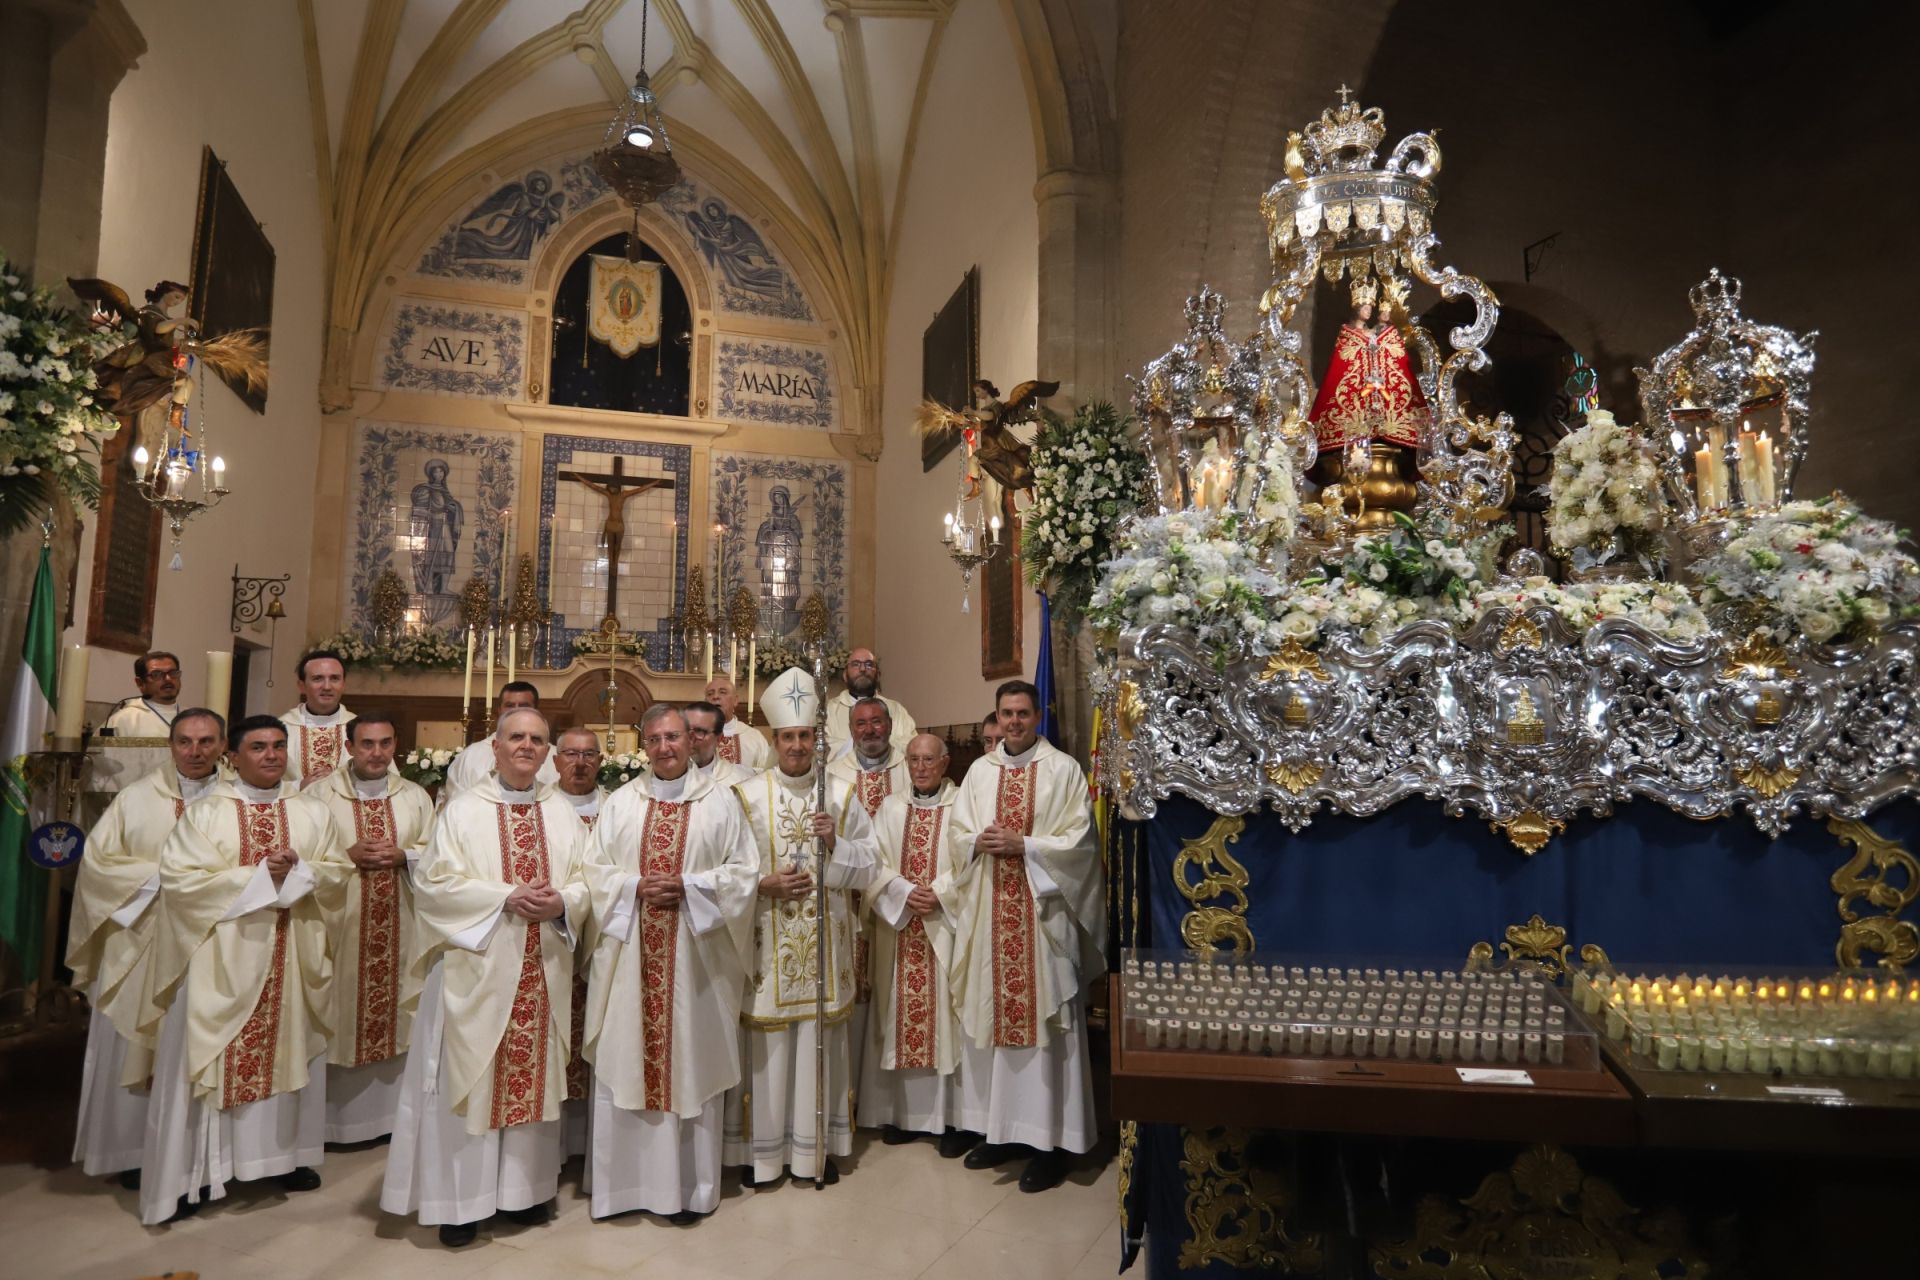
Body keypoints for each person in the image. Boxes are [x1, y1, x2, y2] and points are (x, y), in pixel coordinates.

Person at [380, 707, 591, 1248]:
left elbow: (590, 881)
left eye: (537, 740)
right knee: (467, 1081)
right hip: (475, 969)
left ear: (548, 754)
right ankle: (460, 1203)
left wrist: (563, 901)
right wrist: (505, 897)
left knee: (530, 1077)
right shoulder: (463, 810)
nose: (526, 746)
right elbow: (434, 884)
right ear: (494, 748)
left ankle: (521, 1195)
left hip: (541, 967)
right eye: (516, 737)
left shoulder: (563, 813)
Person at [136, 714, 332, 1224]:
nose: (271, 755)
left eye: (278, 746)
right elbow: (180, 882)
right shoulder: (206, 814)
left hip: (289, 955)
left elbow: (337, 872)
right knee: (205, 1060)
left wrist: (302, 871)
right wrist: (257, 875)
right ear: (235, 756)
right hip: (219, 961)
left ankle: (279, 1158)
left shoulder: (310, 812)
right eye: (259, 747)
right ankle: (191, 1174)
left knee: (289, 1051)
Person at [582, 705, 757, 1221]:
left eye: (674, 737)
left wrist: (691, 886)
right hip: (629, 954)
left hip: (697, 960)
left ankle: (690, 1189)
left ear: (694, 741)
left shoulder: (721, 802)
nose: (665, 747)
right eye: (655, 739)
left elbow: (745, 873)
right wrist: (634, 885)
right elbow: (594, 870)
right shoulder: (620, 804)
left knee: (690, 1061)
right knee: (627, 1054)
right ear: (644, 745)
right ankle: (623, 1190)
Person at [945, 680, 1105, 1193]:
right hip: (989, 915)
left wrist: (1026, 845)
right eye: (1005, 714)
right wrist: (977, 841)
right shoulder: (978, 771)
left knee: (1045, 1030)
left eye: (1021, 713)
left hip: (1041, 920)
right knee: (993, 1019)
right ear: (996, 716)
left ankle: (1050, 1143)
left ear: (1037, 716)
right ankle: (1001, 1131)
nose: (1013, 721)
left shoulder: (1064, 771)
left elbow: (1079, 844)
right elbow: (955, 833)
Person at [724, 666, 879, 1187]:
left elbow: (871, 864)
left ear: (818, 740)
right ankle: (764, 1158)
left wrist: (836, 843)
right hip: (768, 942)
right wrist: (761, 885)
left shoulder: (842, 795)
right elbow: (730, 871)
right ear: (774, 739)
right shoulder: (746, 796)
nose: (796, 745)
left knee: (820, 1047)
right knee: (768, 1054)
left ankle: (816, 1153)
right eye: (788, 736)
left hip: (823, 945)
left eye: (805, 736)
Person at [67, 708, 228, 1185]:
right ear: (170, 745)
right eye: (185, 742)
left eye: (206, 741)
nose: (195, 752)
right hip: (142, 942)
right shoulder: (135, 800)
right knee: (138, 1043)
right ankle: (134, 1152)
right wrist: (166, 879)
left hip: (211, 948)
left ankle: (200, 1156)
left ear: (222, 745)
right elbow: (96, 868)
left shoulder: (238, 801)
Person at [302, 712, 434, 1144]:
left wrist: (405, 857)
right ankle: (333, 1126)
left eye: (385, 744)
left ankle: (391, 1121)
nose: (376, 754)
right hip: (340, 925)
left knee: (397, 1012)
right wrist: (346, 853)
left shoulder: (415, 796)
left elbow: (437, 854)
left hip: (402, 918)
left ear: (395, 746)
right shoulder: (319, 796)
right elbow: (304, 854)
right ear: (349, 747)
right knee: (339, 1009)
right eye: (367, 744)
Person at [860, 733, 972, 1157]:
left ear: (946, 763)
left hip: (943, 926)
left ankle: (951, 1119)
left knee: (948, 1021)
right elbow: (874, 862)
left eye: (929, 760)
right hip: (900, 926)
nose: (921, 767)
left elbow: (970, 861)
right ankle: (906, 1118)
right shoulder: (890, 807)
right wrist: (904, 891)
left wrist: (939, 893)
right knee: (898, 1016)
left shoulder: (962, 805)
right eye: (914, 760)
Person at [824, 696, 909, 1093]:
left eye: (877, 722)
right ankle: (852, 1091)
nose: (870, 730)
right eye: (861, 723)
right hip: (850, 898)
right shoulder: (833, 775)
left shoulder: (911, 768)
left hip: (898, 899)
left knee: (894, 990)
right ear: (851, 729)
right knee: (854, 988)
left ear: (889, 725)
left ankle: (885, 1094)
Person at [552, 725, 607, 1156]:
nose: (580, 762)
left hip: (605, 944)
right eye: (571, 753)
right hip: (555, 943)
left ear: (601, 762)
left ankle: (591, 1144)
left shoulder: (616, 808)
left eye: (589, 754)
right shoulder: (543, 809)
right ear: (555, 761)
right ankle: (553, 1144)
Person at [445, 681, 560, 794]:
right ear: (499, 710)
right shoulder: (470, 757)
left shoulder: (556, 757)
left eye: (524, 706)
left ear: (536, 710)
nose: (516, 711)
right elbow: (456, 804)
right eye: (509, 705)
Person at [281, 650, 354, 789]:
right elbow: (258, 784)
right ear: (301, 686)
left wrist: (339, 781)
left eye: (334, 678)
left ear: (343, 685)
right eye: (317, 679)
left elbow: (384, 782)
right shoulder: (281, 729)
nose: (327, 687)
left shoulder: (361, 729)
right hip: (294, 808)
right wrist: (299, 785)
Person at [823, 648, 915, 759]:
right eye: (855, 664)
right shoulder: (828, 710)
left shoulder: (896, 710)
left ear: (878, 675)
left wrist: (877, 746)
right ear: (845, 675)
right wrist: (863, 744)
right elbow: (822, 750)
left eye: (869, 664)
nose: (862, 669)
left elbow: (912, 747)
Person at [102, 651, 183, 738]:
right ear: (140, 683)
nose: (168, 679)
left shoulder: (195, 717)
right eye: (156, 674)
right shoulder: (122, 721)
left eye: (173, 673)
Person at [703, 673, 771, 769]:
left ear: (735, 700)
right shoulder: (695, 736)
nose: (715, 697)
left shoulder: (754, 737)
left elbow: (766, 772)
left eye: (722, 692)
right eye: (710, 694)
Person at [684, 700, 757, 788]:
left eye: (699, 731)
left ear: (719, 738)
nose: (689, 738)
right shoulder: (664, 778)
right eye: (685, 729)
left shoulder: (741, 782)